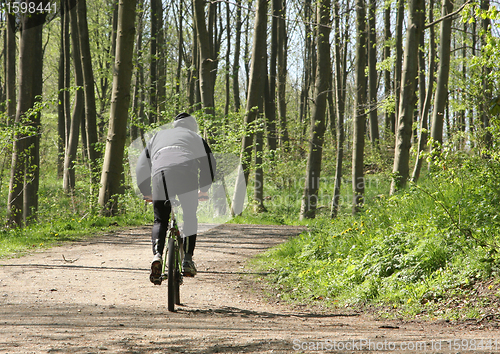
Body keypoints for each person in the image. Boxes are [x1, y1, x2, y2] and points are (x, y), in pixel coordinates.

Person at [135, 112, 216, 285]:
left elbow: (142, 165)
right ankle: (187, 260)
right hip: (187, 173)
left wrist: (146, 191)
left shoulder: (157, 136)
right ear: (192, 127)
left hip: (161, 175)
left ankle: (157, 255)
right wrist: (204, 189)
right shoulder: (195, 137)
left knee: (160, 220)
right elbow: (209, 163)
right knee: (189, 216)